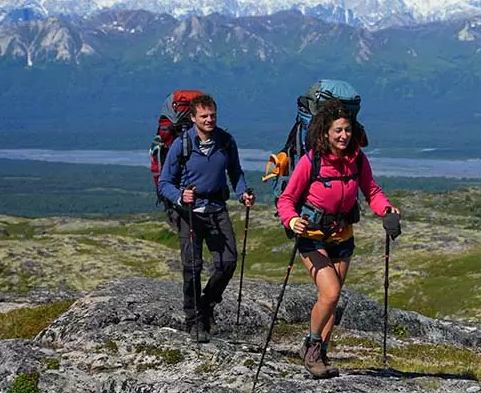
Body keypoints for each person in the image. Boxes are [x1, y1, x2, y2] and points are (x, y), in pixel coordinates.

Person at [276, 98, 399, 379]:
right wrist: (292, 219)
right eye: (338, 131)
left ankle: (320, 352)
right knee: (330, 293)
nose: (344, 136)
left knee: (332, 298)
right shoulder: (312, 161)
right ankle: (312, 345)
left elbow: (371, 191)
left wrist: (386, 210)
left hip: (343, 235)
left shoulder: (358, 159)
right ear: (325, 133)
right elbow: (287, 199)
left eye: (347, 130)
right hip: (312, 234)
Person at [158, 94, 254, 343]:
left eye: (212, 115)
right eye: (204, 116)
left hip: (216, 207)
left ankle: (206, 304)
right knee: (192, 267)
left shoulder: (225, 141)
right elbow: (164, 182)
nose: (209, 119)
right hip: (189, 212)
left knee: (228, 262)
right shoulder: (182, 144)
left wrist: (242, 192)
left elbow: (235, 171)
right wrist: (180, 196)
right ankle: (193, 321)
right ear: (193, 118)